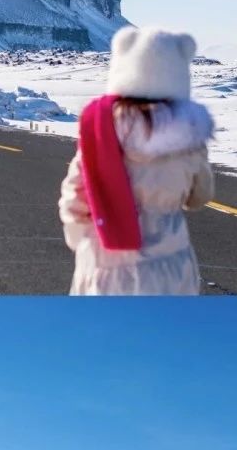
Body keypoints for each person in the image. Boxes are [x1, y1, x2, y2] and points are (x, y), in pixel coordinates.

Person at [59, 26, 214, 295]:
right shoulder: (190, 137)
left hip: (104, 263)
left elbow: (75, 198)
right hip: (170, 265)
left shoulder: (99, 133)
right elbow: (199, 196)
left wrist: (81, 241)